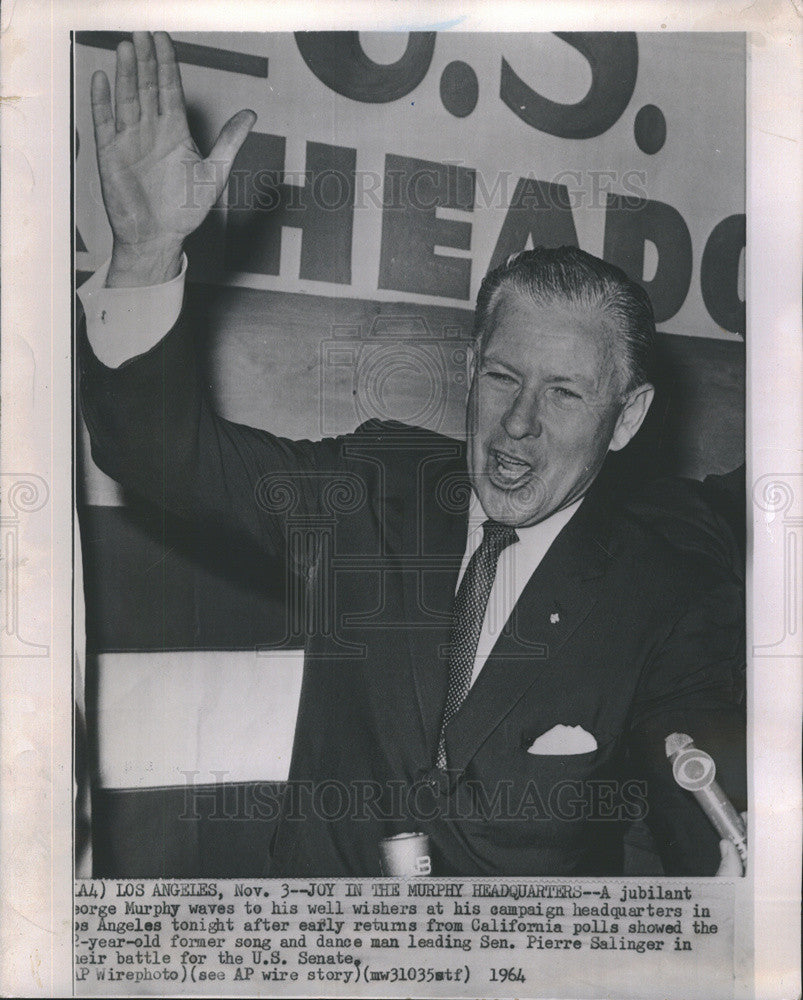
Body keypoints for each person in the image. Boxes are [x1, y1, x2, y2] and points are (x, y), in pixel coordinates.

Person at [79, 32, 746, 877]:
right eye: (502, 377)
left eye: (565, 393)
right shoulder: (372, 486)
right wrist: (143, 257)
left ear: (626, 417)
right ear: (470, 369)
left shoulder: (662, 592)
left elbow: (699, 802)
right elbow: (159, 455)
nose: (518, 426)